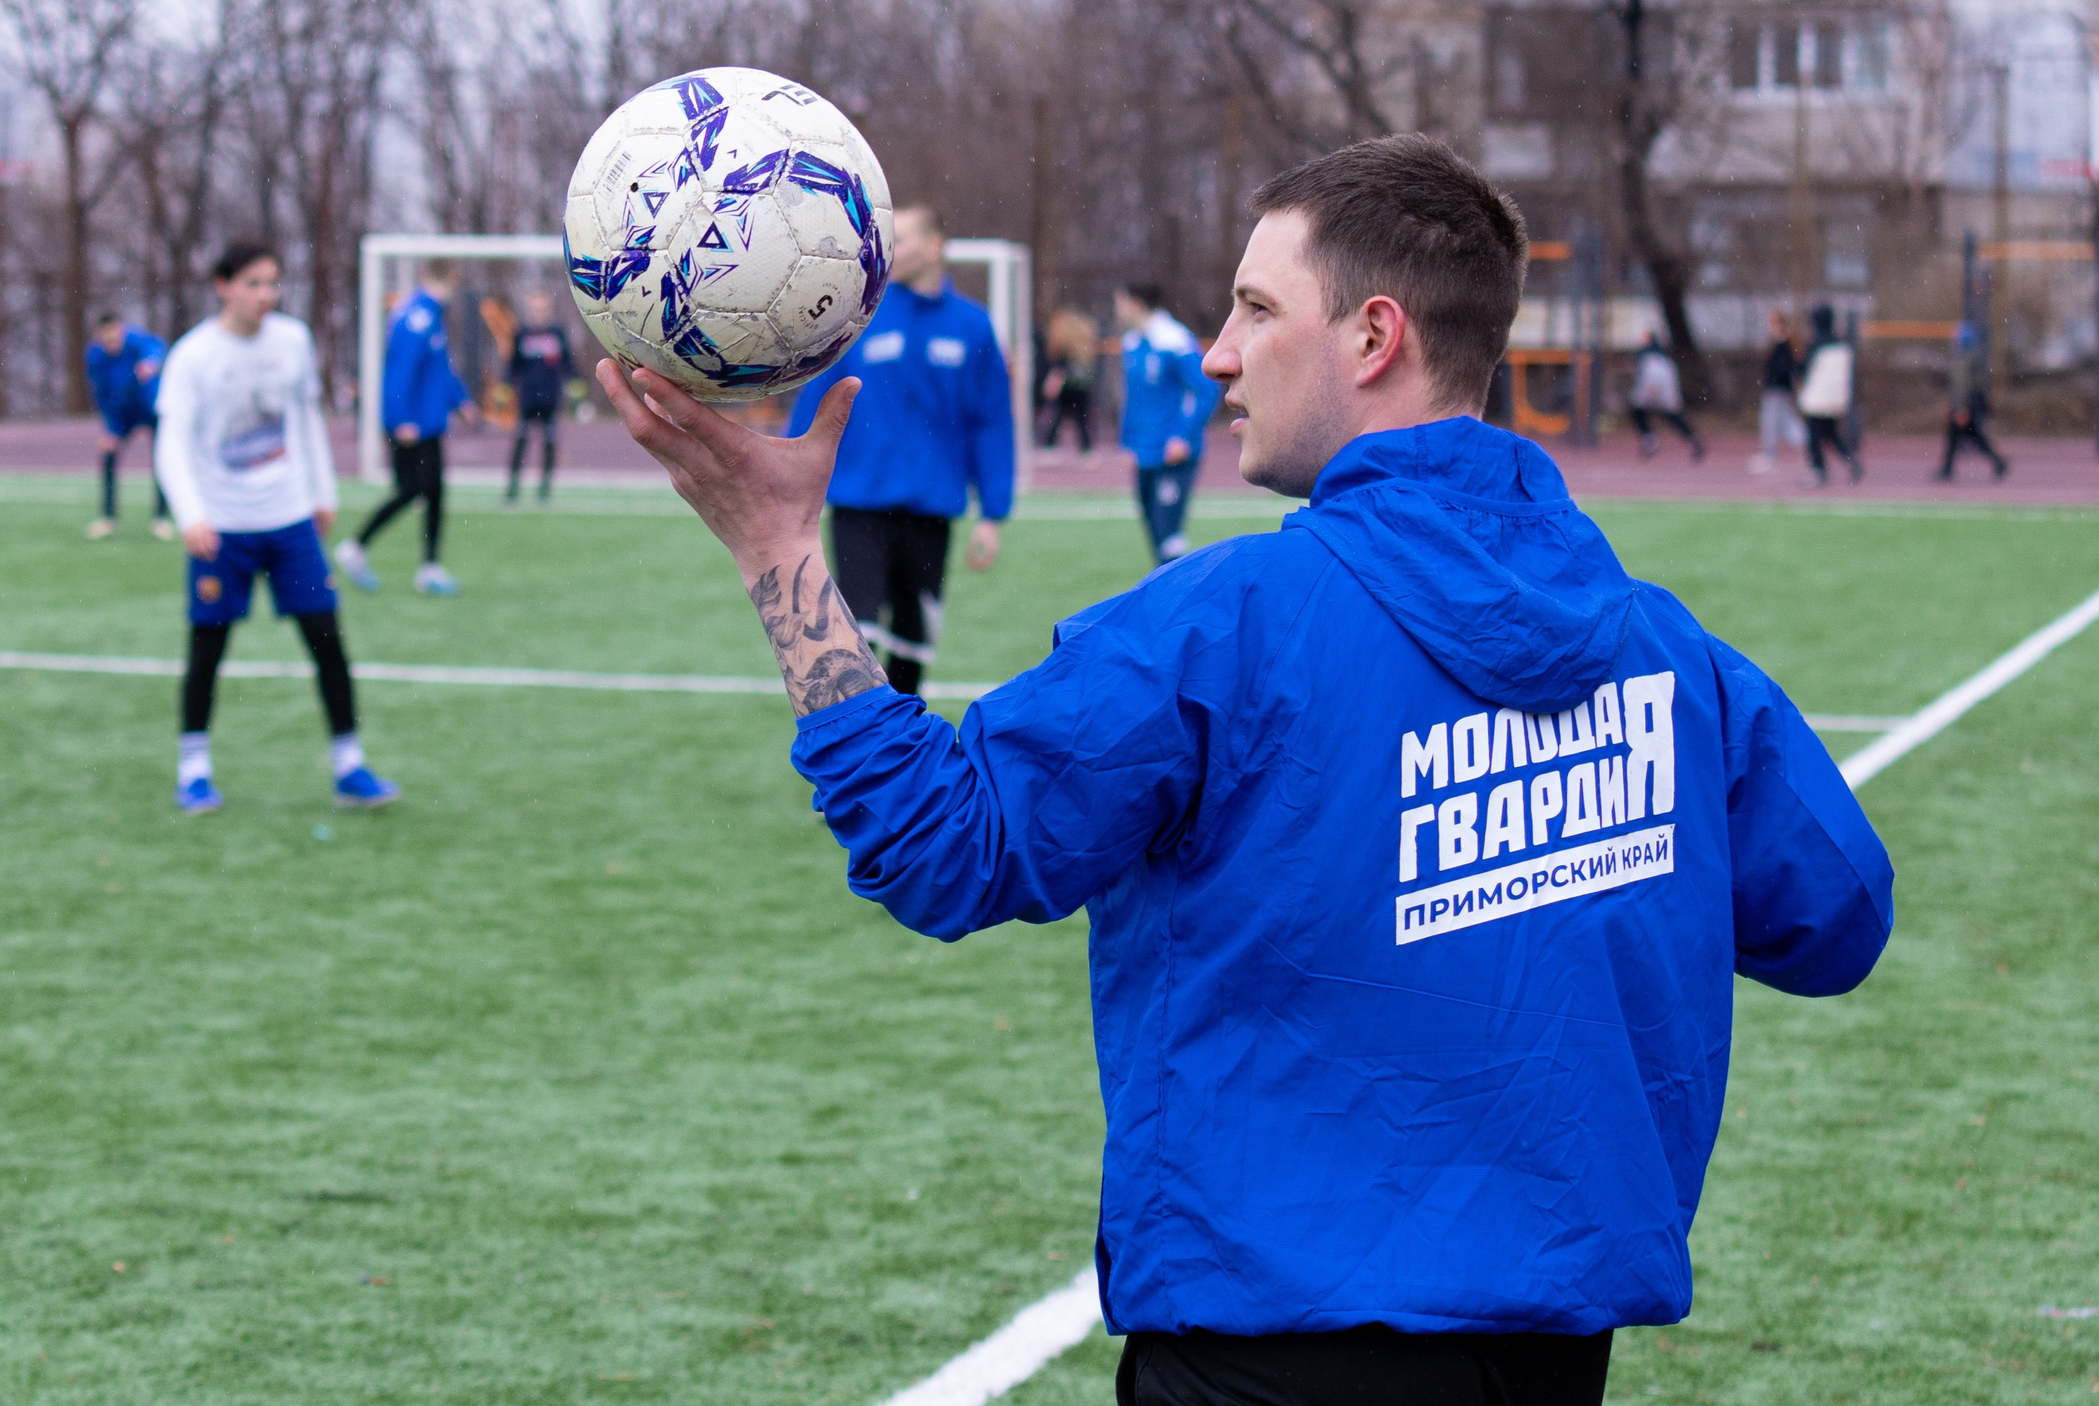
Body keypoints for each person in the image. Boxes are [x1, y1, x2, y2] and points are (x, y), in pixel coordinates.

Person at [596, 134, 1891, 1406]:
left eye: (1257, 307)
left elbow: (945, 844)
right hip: (1552, 1357)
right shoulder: (1671, 651)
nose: (1217, 349)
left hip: (1261, 1350)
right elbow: (1832, 915)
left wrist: (777, 548)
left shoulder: (1225, 623)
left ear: (1374, 337)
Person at [153, 242, 397, 816]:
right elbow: (172, 442)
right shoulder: (193, 356)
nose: (266, 295)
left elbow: (307, 417)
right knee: (207, 650)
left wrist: (322, 491)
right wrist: (190, 514)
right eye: (253, 284)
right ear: (223, 286)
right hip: (223, 530)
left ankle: (349, 765)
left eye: (272, 284)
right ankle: (194, 771)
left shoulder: (292, 341)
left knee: (328, 644)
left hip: (289, 524)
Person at [783, 205, 1014, 697]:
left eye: (902, 240)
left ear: (935, 246)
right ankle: (854, 751)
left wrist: (993, 514)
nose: (891, 250)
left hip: (931, 514)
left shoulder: (972, 327)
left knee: (912, 646)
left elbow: (991, 421)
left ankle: (903, 751)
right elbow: (816, 399)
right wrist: (787, 472)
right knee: (855, 639)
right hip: (859, 507)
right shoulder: (858, 316)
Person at [339, 263, 473, 597]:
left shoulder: (430, 314)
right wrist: (401, 419)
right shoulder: (417, 316)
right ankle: (355, 547)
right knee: (412, 489)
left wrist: (462, 401)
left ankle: (430, 567)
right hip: (413, 424)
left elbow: (439, 368)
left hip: (428, 422)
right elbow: (400, 371)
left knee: (435, 493)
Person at [1115, 284, 1218, 564]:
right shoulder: (1131, 343)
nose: (1118, 309)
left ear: (1136, 304)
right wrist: (1126, 441)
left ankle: (1181, 598)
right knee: (1153, 531)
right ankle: (1167, 594)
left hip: (1174, 454)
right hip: (1143, 452)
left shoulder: (1176, 341)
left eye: (1120, 302)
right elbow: (1133, 399)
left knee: (1168, 532)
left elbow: (1205, 390)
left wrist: (1182, 436)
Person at [82, 312, 173, 539]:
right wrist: (110, 428)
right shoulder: (95, 356)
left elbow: (157, 346)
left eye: (115, 337)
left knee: (162, 460)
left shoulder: (136, 340)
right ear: (99, 336)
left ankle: (161, 519)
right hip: (122, 414)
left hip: (152, 407)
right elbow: (101, 394)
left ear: (121, 330)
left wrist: (151, 362)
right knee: (108, 456)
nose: (111, 343)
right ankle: (108, 518)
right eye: (106, 339)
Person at [506, 287, 573, 504]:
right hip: (527, 398)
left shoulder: (557, 333)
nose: (538, 312)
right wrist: (504, 390)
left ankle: (544, 489)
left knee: (549, 443)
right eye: (534, 308)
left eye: (542, 308)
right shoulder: (521, 333)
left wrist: (576, 389)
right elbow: (513, 365)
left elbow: (568, 365)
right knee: (520, 442)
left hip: (550, 398)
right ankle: (513, 488)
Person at [1797, 303, 1862, 486]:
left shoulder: (1814, 345)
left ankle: (1818, 471)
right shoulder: (1841, 344)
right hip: (1836, 399)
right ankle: (1850, 460)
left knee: (1814, 437)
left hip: (1817, 400)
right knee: (1831, 434)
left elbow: (1802, 371)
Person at [1938, 331, 2010, 481]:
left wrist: (1961, 408)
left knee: (1972, 437)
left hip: (1965, 406)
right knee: (1959, 437)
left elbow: (1963, 386)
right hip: (1965, 404)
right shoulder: (1969, 358)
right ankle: (1947, 469)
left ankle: (1998, 462)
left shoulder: (1965, 360)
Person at [1627, 332, 1705, 462]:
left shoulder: (1644, 353)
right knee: (1672, 416)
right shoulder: (1662, 354)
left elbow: (1641, 369)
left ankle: (1649, 439)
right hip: (1667, 384)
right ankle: (1693, 441)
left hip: (1651, 383)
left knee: (1637, 411)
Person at [1039, 307, 1101, 457]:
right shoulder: (1080, 345)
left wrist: (1054, 380)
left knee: (1063, 416)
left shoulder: (1068, 344)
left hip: (1070, 386)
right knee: (1077, 417)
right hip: (1078, 386)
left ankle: (1051, 445)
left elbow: (1060, 366)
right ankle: (1084, 448)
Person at [1749, 311, 1803, 476]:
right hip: (1778, 391)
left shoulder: (1784, 345)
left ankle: (1769, 456)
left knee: (1772, 423)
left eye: (1772, 323)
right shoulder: (1782, 344)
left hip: (1777, 391)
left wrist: (1773, 383)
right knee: (1785, 423)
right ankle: (1809, 445)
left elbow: (1785, 369)